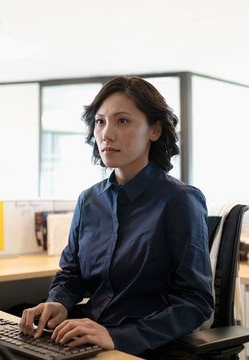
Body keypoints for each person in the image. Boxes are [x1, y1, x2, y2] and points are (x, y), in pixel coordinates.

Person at [19, 76, 214, 357]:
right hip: (90, 335)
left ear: (154, 131)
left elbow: (195, 302)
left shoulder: (180, 200)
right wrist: (59, 303)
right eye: (100, 121)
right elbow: (71, 273)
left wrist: (117, 336)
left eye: (122, 121)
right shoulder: (89, 200)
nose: (106, 134)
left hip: (145, 345)